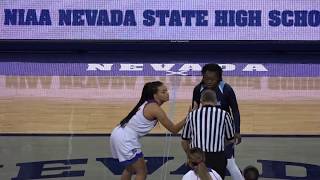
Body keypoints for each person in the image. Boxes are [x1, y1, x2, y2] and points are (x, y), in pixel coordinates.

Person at [110, 81, 189, 180]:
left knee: (130, 169)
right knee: (142, 172)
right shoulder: (154, 108)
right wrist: (189, 116)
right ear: (155, 95)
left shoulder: (148, 103)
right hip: (126, 138)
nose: (167, 93)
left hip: (118, 133)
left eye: (166, 91)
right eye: (163, 92)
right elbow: (174, 129)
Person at [192, 64, 243, 180]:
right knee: (203, 163)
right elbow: (194, 111)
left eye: (212, 79)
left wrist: (237, 130)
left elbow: (235, 111)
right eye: (206, 78)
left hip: (224, 131)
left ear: (219, 78)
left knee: (229, 161)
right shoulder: (198, 89)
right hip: (205, 132)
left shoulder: (226, 89)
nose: (209, 81)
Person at [181, 89, 235, 179]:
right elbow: (231, 139)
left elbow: (184, 140)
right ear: (215, 101)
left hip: (197, 156)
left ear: (201, 101)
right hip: (217, 157)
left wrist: (190, 155)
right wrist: (220, 143)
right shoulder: (224, 114)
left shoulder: (192, 115)